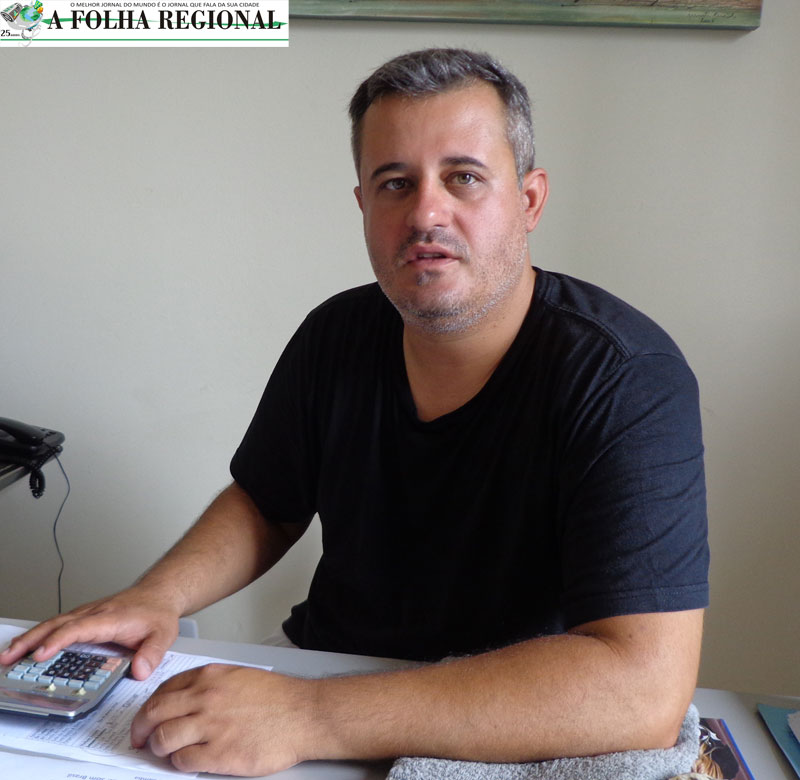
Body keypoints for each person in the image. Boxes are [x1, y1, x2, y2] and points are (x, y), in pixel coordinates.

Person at [0, 48, 709, 777]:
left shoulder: (627, 377)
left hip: (507, 718)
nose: (425, 213)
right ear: (364, 206)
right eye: (394, 183)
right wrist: (158, 597)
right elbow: (266, 504)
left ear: (529, 200)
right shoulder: (336, 334)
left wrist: (307, 715)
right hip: (326, 670)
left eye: (463, 177)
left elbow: (643, 692)